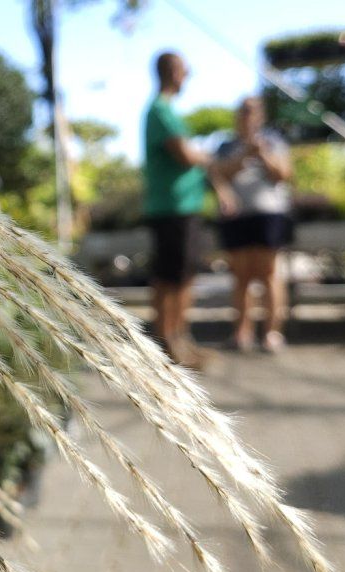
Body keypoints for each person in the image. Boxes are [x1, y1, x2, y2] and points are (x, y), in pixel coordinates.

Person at [143, 51, 228, 369]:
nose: (187, 76)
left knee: (183, 275)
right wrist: (206, 156)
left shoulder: (167, 111)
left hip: (184, 208)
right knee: (171, 278)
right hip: (172, 208)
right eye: (184, 70)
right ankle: (168, 343)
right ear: (172, 72)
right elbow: (185, 155)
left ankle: (180, 338)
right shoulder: (160, 110)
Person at [211, 97, 294, 353]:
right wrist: (244, 154)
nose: (247, 116)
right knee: (241, 275)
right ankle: (242, 333)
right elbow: (218, 174)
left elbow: (283, 174)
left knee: (269, 273)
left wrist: (263, 153)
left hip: (269, 214)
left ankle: (271, 333)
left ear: (261, 115)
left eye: (252, 111)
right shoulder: (226, 146)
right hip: (237, 217)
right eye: (243, 111)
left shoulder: (274, 141)